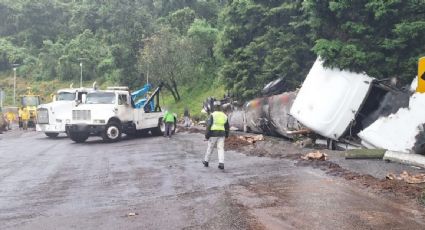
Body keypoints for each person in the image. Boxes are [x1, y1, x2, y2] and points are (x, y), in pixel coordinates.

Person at [203, 101, 230, 170]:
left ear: (214, 107)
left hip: (213, 134)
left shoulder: (213, 114)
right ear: (220, 107)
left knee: (210, 148)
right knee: (220, 148)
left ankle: (206, 161)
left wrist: (206, 135)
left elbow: (209, 125)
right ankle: (221, 163)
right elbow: (227, 126)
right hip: (222, 134)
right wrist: (227, 134)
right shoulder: (224, 115)